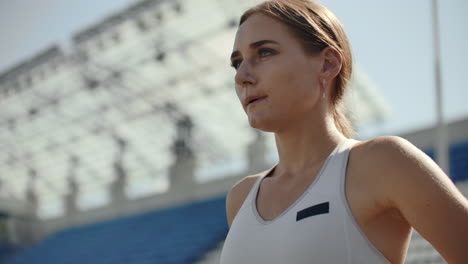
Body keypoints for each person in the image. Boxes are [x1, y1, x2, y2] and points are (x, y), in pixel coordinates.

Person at [219, 0, 468, 263]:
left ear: (327, 64)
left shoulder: (384, 163)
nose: (241, 75)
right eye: (237, 63)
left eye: (265, 52)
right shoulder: (241, 197)